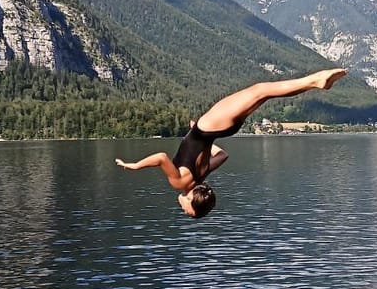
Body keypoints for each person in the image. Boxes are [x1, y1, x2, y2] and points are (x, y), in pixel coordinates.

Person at [115, 69, 348, 218]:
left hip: (221, 130)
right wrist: (135, 166)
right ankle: (315, 81)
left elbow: (222, 155)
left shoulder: (201, 175)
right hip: (210, 126)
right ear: (190, 200)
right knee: (261, 90)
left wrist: (199, 137)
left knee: (262, 93)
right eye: (187, 211)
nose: (183, 211)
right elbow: (161, 158)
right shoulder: (179, 183)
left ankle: (315, 82)